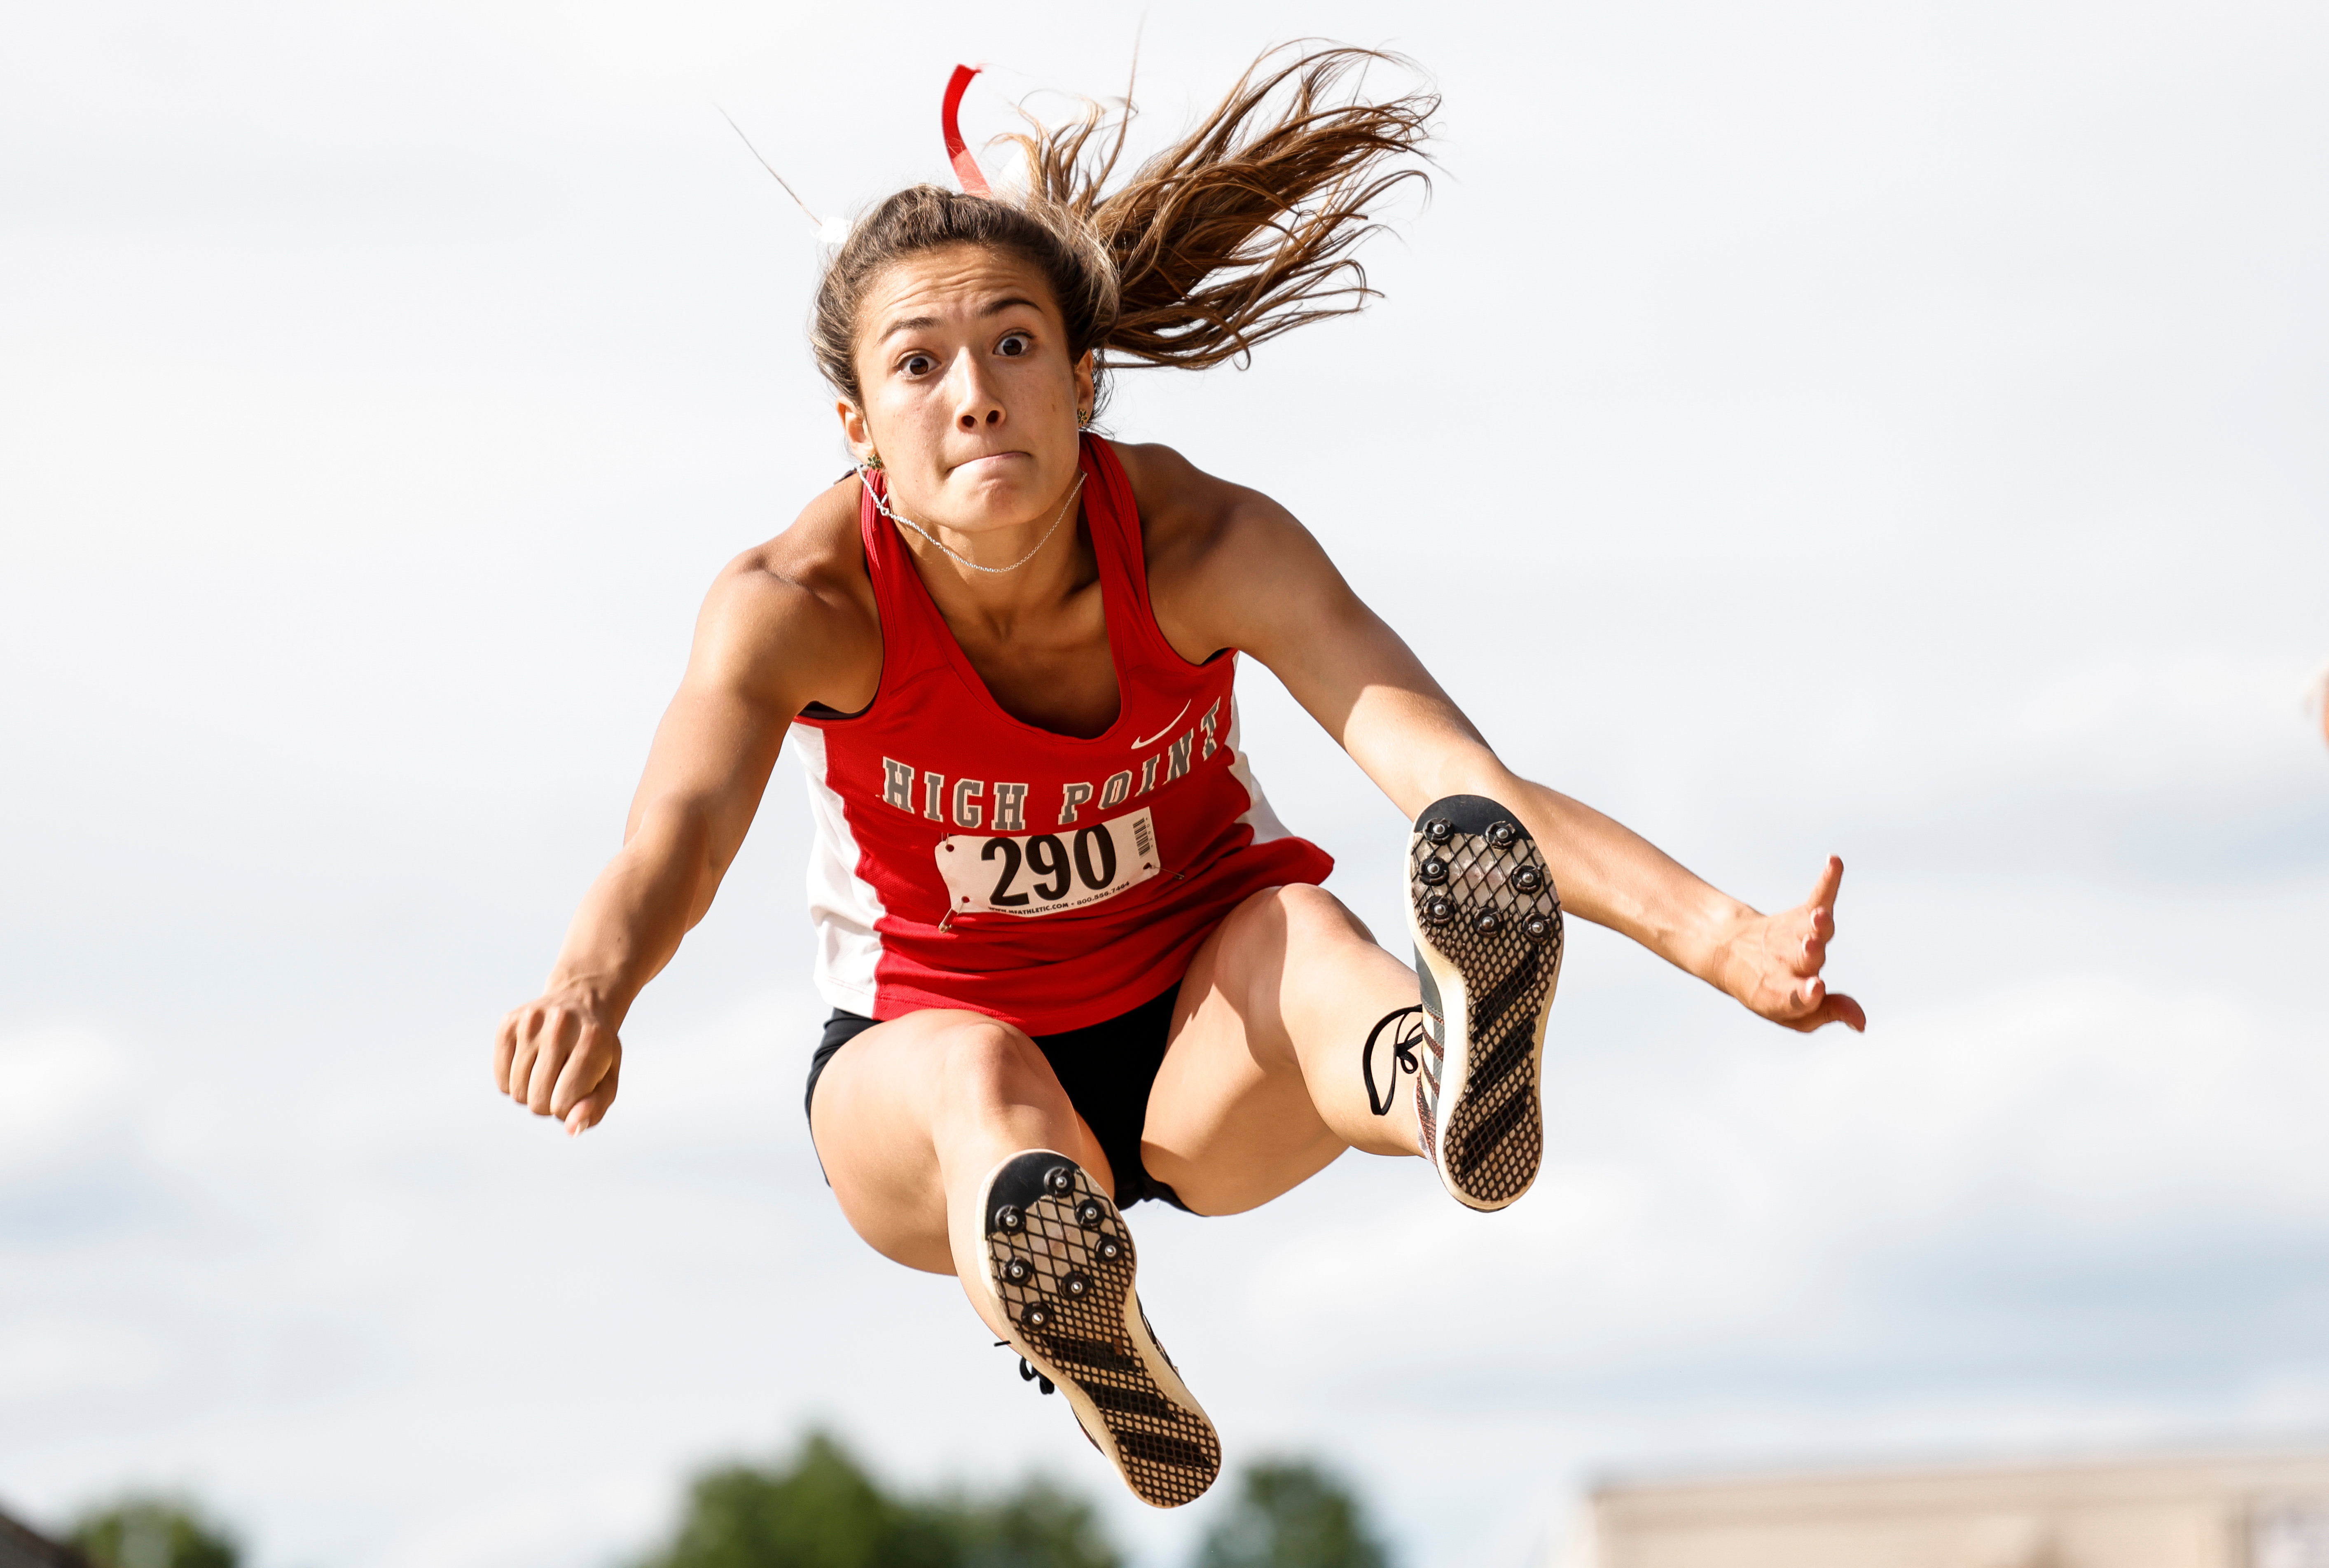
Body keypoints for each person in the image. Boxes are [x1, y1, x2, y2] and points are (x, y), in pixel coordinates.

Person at [491, 48, 1865, 1510]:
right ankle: (1070, 1304)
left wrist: (1724, 940)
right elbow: (679, 836)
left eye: (1015, 347)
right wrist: (593, 984)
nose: (975, 397)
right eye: (918, 365)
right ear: (858, 430)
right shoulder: (800, 601)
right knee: (980, 1075)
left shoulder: (1209, 547)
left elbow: (1462, 785)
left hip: (1209, 1044)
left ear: (1085, 379)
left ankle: (1446, 1078)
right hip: (926, 1059)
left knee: (1302, 932)